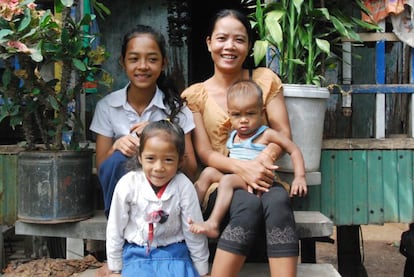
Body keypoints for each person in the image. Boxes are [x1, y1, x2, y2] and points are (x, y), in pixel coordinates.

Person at [181, 9, 300, 277]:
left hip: (264, 175)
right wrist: (241, 169)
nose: (230, 46)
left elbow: (282, 132)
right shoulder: (195, 95)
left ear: (248, 45)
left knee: (278, 200)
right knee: (246, 203)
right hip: (219, 185)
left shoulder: (264, 80)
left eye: (239, 39)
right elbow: (205, 153)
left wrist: (260, 163)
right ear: (209, 42)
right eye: (222, 38)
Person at [90, 24, 197, 217]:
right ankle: (120, 224)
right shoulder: (107, 107)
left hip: (166, 203)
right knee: (117, 160)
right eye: (134, 59)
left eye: (152, 59)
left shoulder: (176, 109)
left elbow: (190, 169)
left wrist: (164, 132)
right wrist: (116, 147)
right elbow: (102, 168)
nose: (142, 66)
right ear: (123, 62)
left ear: (163, 63)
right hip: (124, 207)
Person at [189, 80, 307, 239]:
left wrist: (300, 177)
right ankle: (190, 214)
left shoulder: (266, 134)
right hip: (240, 177)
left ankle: (213, 223)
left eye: (250, 113)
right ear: (229, 115)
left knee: (227, 182)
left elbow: (293, 149)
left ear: (261, 112)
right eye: (237, 115)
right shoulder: (234, 136)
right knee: (208, 173)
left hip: (259, 180)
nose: (243, 120)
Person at [106, 120, 209, 277]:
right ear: (140, 157)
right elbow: (115, 228)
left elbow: (193, 230)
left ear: (180, 161)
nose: (159, 167)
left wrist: (202, 270)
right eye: (150, 159)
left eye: (168, 160)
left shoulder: (183, 186)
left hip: (175, 254)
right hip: (137, 254)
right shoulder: (128, 184)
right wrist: (115, 269)